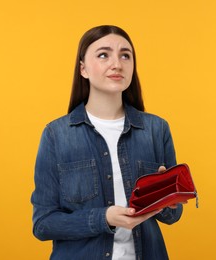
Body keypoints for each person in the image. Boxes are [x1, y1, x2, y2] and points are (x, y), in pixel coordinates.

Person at [31, 25, 184, 260]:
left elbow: (173, 217)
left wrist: (165, 199)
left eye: (125, 55)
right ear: (83, 69)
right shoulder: (56, 135)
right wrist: (104, 218)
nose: (117, 64)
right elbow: (43, 224)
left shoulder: (156, 129)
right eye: (104, 55)